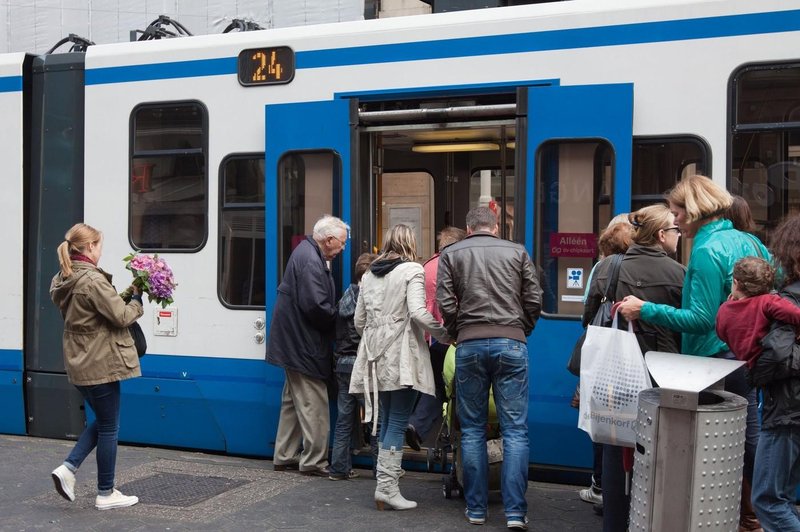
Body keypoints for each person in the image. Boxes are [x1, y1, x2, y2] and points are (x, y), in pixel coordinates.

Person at [616, 175, 770, 532]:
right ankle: (757, 514)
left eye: (678, 213)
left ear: (696, 210)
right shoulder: (749, 241)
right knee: (749, 442)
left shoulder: (704, 251)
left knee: (709, 450)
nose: (674, 221)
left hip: (712, 362)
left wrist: (645, 309)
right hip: (748, 356)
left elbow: (701, 320)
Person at [437, 207, 542, 530]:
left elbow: (445, 301)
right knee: (515, 431)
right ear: (495, 227)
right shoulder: (517, 252)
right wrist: (520, 328)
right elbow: (534, 298)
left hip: (468, 344)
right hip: (511, 343)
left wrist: (459, 331)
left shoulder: (452, 254)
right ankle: (514, 513)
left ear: (469, 229)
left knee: (471, 430)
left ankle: (477, 509)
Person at [586, 204, 685, 531]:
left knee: (617, 451)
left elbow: (589, 318)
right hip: (662, 372)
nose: (679, 235)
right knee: (659, 452)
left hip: (618, 374)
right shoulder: (678, 273)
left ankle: (615, 522)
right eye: (675, 230)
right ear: (660, 235)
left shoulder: (608, 267)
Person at [349, 224, 449, 511]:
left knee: (385, 420)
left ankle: (385, 484)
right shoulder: (412, 271)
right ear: (410, 244)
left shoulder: (369, 275)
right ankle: (387, 488)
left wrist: (377, 335)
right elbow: (418, 313)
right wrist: (445, 334)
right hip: (402, 357)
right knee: (396, 421)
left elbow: (359, 321)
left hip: (375, 357)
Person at [49, 223, 144, 510]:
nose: (100, 251)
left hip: (79, 361)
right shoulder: (92, 280)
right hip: (100, 362)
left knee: (104, 421)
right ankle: (105, 492)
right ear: (89, 247)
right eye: (99, 245)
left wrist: (128, 290)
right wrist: (138, 299)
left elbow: (101, 308)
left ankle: (68, 469)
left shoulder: (64, 276)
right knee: (109, 427)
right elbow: (121, 316)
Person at [266, 214, 350, 477]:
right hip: (303, 345)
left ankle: (284, 455)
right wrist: (340, 317)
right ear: (328, 240)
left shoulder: (306, 252)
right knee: (315, 402)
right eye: (342, 243)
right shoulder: (312, 262)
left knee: (292, 401)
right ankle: (314, 461)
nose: (343, 249)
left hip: (291, 342)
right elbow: (316, 307)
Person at [576, 215, 634, 511]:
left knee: (603, 419)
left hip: (607, 353)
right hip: (636, 354)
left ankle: (600, 484)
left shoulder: (603, 267)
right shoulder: (644, 265)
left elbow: (587, 309)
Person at [748, 214, 800, 531]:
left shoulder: (789, 297)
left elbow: (777, 357)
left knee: (768, 500)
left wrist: (756, 372)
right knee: (782, 498)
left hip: (787, 410)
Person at [405, 226, 466, 451]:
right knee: (455, 389)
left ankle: (417, 425)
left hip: (428, 339)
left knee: (435, 387)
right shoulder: (456, 266)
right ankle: (453, 440)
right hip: (450, 338)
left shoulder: (426, 266)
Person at [329, 252, 377, 481]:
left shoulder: (343, 299)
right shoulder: (368, 300)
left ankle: (339, 468)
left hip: (342, 366)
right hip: (362, 366)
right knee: (375, 420)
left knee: (344, 420)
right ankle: (381, 469)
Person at [717, 256, 800, 368]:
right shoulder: (767, 302)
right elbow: (795, 313)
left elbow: (721, 334)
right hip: (766, 360)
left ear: (736, 283)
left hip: (746, 363)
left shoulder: (724, 309)